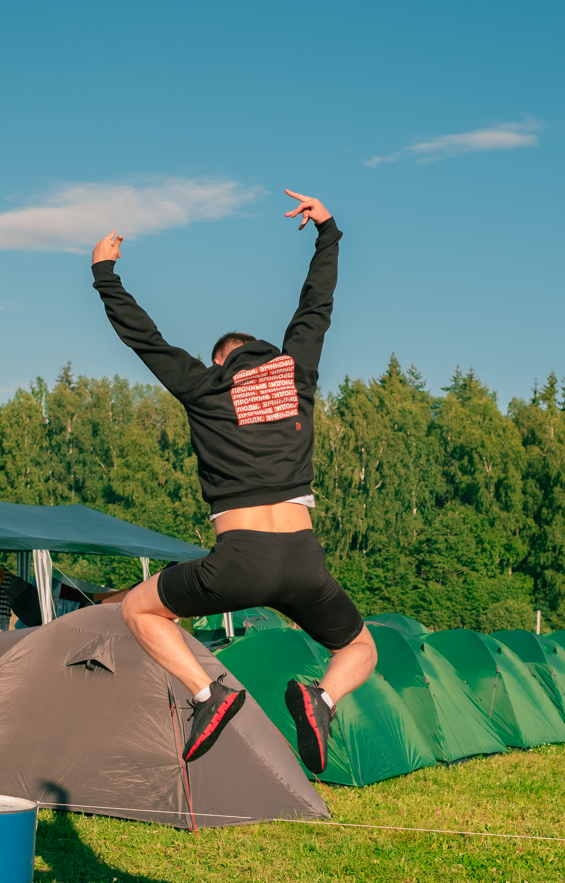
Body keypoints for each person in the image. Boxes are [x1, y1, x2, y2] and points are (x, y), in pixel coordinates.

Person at [91, 190, 376, 772]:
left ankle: (207, 696)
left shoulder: (206, 387)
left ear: (220, 361)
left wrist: (105, 275)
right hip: (304, 560)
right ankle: (322, 700)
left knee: (140, 610)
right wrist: (328, 232)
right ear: (265, 355)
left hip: (239, 559)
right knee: (358, 646)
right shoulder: (294, 374)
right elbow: (316, 306)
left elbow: (145, 339)